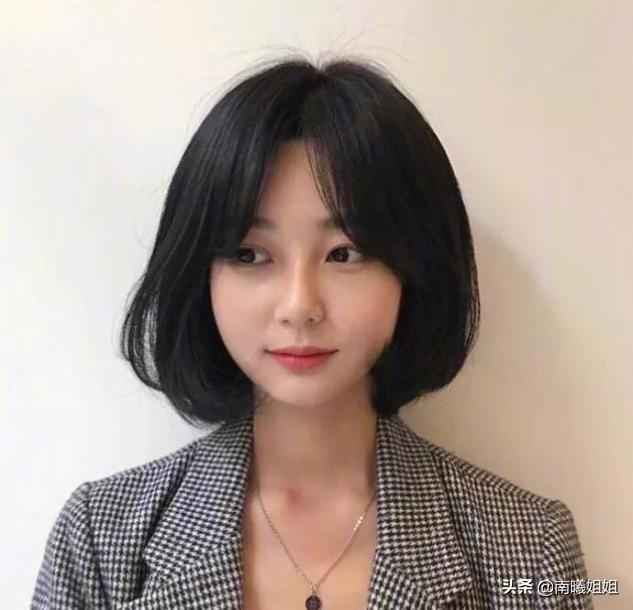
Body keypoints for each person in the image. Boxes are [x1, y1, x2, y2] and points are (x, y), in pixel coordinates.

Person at [31, 55, 592, 609]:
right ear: (200, 275)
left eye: (344, 253)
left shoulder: (530, 553)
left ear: (413, 269)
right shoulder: (100, 542)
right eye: (251, 254)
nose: (300, 306)